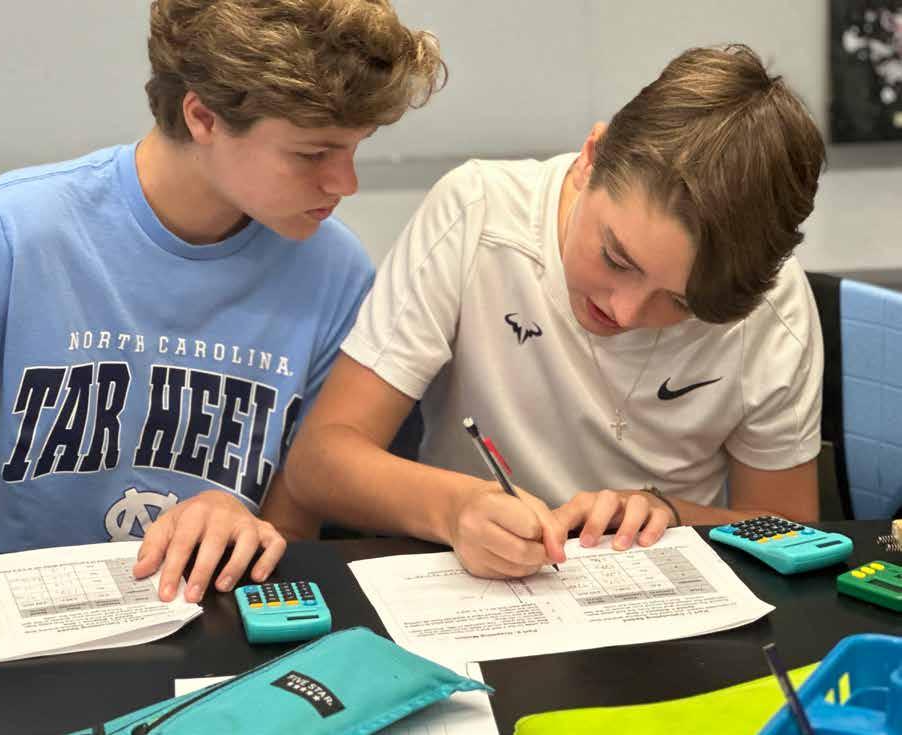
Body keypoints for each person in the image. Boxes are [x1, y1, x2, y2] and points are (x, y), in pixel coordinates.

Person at [0, 0, 445, 664]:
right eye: (313, 153)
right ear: (203, 117)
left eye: (355, 149)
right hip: (0, 648)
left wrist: (249, 523)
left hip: (203, 630)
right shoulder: (11, 231)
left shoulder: (333, 270)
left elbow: (293, 520)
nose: (345, 183)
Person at [278, 45, 826, 581]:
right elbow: (318, 463)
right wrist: (455, 508)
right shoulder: (478, 214)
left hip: (660, 600)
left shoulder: (770, 306)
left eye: (682, 304)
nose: (625, 311)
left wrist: (674, 513)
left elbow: (791, 534)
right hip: (469, 588)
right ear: (591, 158)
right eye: (616, 258)